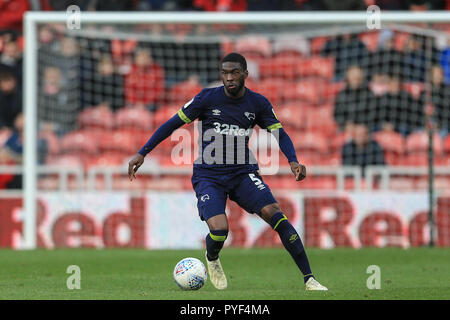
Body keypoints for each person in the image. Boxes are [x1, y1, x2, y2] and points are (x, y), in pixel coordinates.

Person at [128, 52, 328, 291]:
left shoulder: (258, 103)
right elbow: (172, 124)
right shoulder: (206, 98)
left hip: (242, 172)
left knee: (276, 214)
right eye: (225, 73)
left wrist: (293, 161)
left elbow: (279, 134)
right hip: (209, 175)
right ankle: (212, 258)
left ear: (245, 74)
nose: (229, 78)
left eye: (234, 73)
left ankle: (310, 279)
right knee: (220, 229)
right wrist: (143, 152)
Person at [334, 65, 377, 134]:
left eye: (357, 77)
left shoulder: (369, 94)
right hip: (347, 129)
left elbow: (373, 115)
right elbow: (337, 114)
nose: (355, 79)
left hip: (365, 130)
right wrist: (345, 125)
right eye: (353, 77)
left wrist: (361, 126)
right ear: (348, 77)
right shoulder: (342, 94)